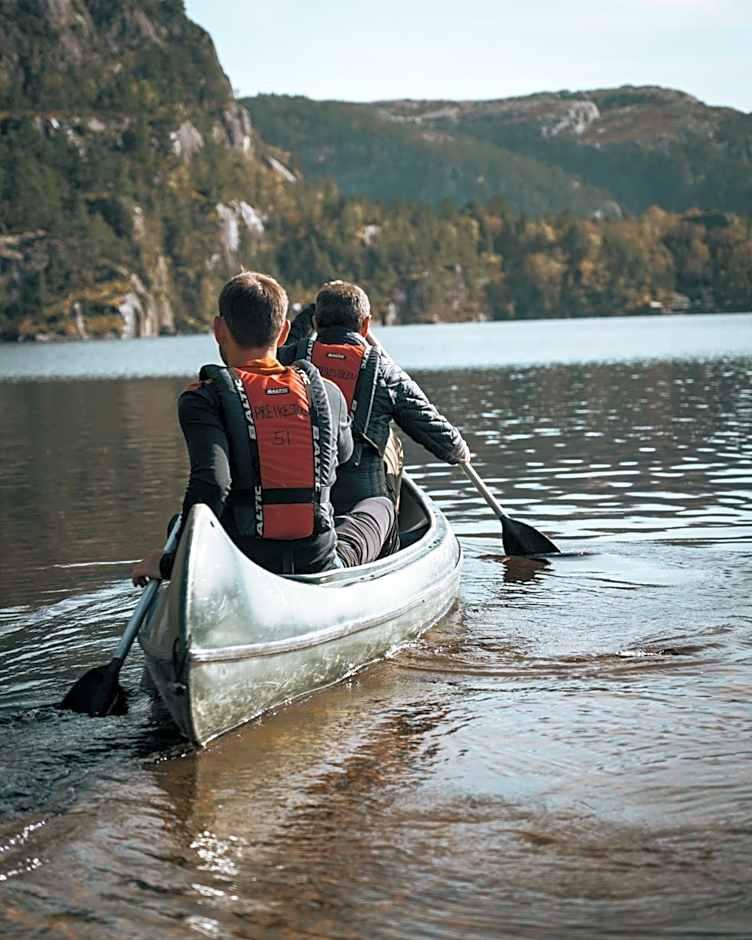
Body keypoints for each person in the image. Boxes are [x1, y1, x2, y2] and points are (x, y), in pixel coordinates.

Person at [131, 272, 395, 584]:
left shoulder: (202, 398)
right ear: (284, 333)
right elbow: (343, 455)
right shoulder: (327, 393)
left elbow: (213, 485)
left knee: (179, 523)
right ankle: (371, 586)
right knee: (381, 505)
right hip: (319, 563)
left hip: (240, 564)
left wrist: (169, 563)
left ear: (219, 330)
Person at [279, 280, 470, 549]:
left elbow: (287, 339)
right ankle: (387, 543)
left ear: (316, 323)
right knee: (391, 441)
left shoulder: (286, 360)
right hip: (360, 508)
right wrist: (460, 449)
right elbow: (443, 439)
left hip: (298, 507)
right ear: (366, 325)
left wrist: (313, 310)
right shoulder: (383, 371)